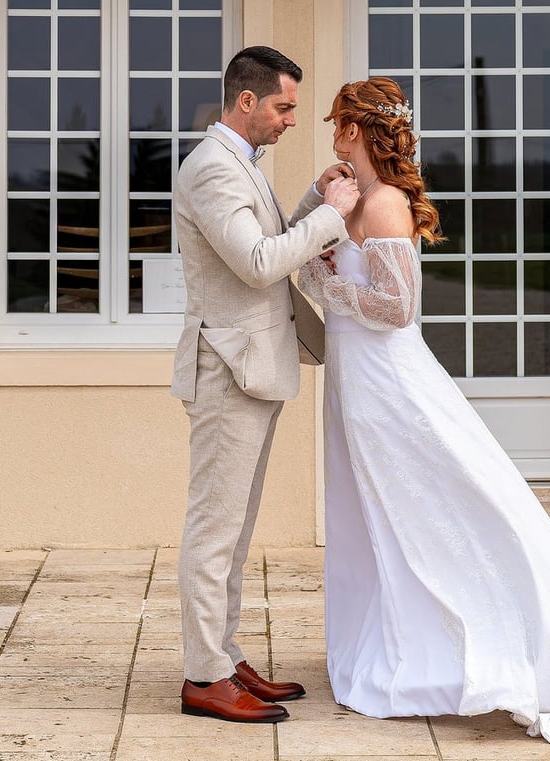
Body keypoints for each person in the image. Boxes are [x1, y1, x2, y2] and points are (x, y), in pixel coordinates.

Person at [298, 77, 550, 748]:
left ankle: (527, 650)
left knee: (437, 509)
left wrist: (327, 282)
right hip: (357, 382)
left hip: (389, 383)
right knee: (377, 515)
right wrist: (323, 212)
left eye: (337, 124)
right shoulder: (355, 197)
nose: (332, 135)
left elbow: (396, 308)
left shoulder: (384, 205)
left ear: (356, 130)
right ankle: (400, 642)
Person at [170, 46, 359, 724]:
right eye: (283, 107)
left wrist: (313, 196)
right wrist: (333, 215)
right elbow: (256, 263)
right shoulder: (212, 168)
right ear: (245, 101)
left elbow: (270, 234)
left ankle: (224, 653)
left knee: (236, 528)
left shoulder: (238, 164)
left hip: (253, 364)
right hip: (228, 368)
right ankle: (204, 676)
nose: (288, 120)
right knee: (214, 528)